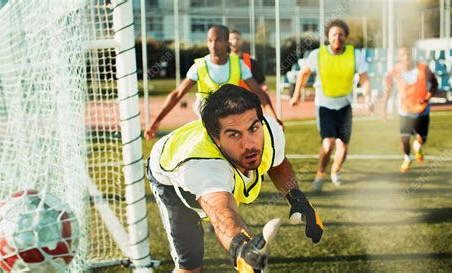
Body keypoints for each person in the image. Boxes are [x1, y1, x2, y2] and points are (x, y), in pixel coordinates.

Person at [147, 84, 323, 273]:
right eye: (234, 134)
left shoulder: (269, 129)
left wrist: (297, 198)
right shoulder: (202, 166)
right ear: (216, 139)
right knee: (189, 266)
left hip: (201, 159)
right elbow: (221, 212)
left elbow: (277, 164)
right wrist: (241, 248)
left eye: (253, 128)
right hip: (169, 176)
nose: (249, 144)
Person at [144, 25, 279, 140]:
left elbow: (259, 92)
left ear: (227, 43)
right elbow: (177, 94)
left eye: (218, 40)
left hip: (232, 124)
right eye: (210, 40)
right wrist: (156, 122)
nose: (213, 45)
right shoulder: (200, 65)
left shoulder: (238, 64)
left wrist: (274, 118)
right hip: (207, 125)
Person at [289, 19, 372, 192]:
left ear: (346, 37)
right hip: (324, 106)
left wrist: (368, 97)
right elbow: (303, 74)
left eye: (341, 35)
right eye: (334, 34)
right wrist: (296, 94)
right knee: (328, 143)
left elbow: (364, 78)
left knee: (344, 146)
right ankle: (320, 174)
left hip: (345, 106)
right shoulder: (317, 55)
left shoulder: (355, 55)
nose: (337, 38)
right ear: (328, 36)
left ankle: (335, 172)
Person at [382, 46, 438, 173]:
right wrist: (383, 109)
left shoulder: (423, 69)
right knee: (404, 138)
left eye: (408, 54)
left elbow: (434, 83)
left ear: (412, 55)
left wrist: (427, 97)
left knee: (421, 139)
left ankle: (417, 147)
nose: (406, 57)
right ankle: (407, 158)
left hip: (422, 110)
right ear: (399, 57)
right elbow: (387, 91)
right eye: (402, 54)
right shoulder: (395, 72)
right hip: (405, 111)